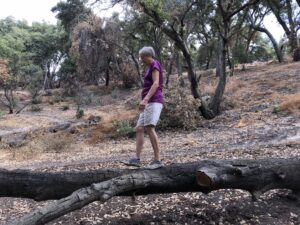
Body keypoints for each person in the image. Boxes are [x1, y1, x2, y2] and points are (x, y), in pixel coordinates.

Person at [124, 46, 164, 169]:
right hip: (148, 102)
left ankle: (157, 160)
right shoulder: (148, 68)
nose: (141, 60)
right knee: (139, 128)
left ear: (148, 56)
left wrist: (146, 99)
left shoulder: (155, 64)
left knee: (149, 128)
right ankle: (136, 159)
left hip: (154, 101)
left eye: (142, 57)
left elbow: (156, 83)